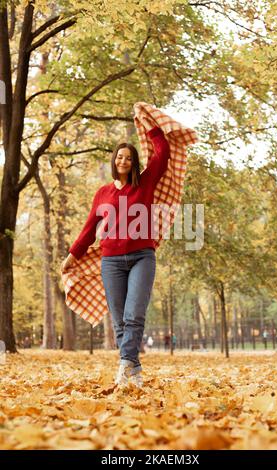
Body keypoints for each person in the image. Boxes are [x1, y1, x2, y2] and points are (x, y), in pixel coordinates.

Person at [61, 115, 170, 388]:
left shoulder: (144, 183)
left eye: (128, 158)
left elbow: (163, 154)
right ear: (114, 161)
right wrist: (72, 256)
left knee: (134, 315)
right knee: (119, 320)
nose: (123, 161)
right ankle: (135, 371)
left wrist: (151, 126)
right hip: (110, 261)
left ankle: (123, 366)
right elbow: (89, 230)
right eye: (119, 157)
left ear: (134, 163)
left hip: (142, 257)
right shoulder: (103, 193)